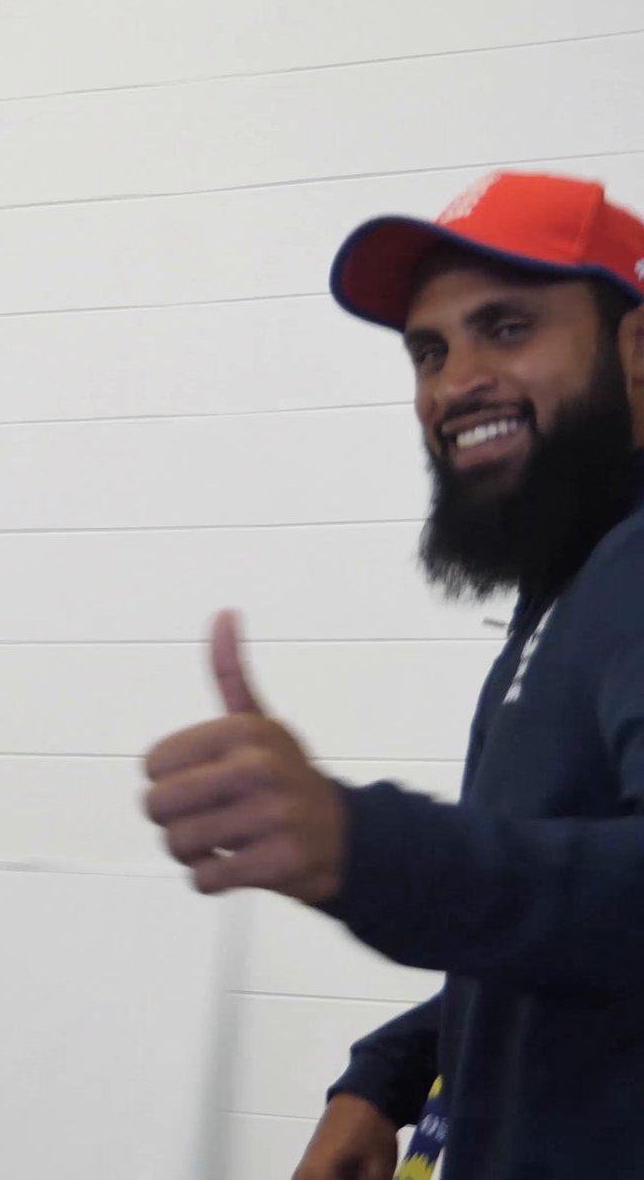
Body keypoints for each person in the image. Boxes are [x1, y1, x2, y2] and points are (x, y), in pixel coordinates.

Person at [140, 170, 644, 1178]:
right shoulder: (572, 588)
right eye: (429, 350)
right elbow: (578, 936)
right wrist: (392, 1072)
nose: (454, 384)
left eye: (507, 328)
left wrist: (363, 844)